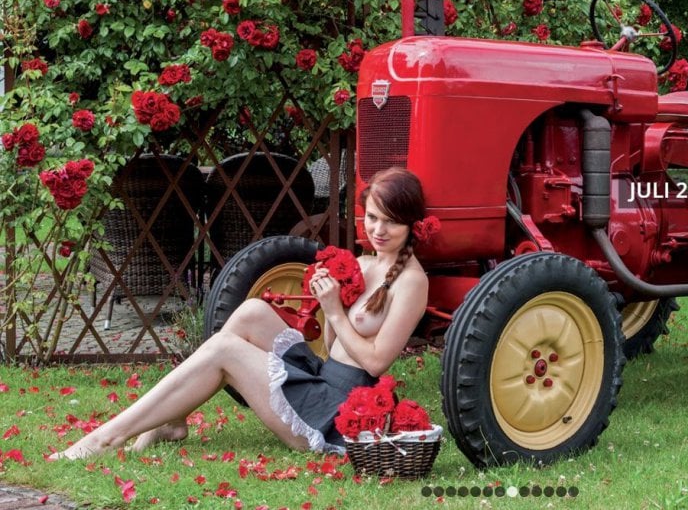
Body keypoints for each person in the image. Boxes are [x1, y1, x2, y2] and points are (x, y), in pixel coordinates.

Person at [50, 167, 432, 460]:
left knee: (224, 350)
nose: (378, 229)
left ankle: (106, 438)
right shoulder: (365, 262)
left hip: (333, 416)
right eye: (371, 217)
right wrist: (329, 298)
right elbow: (333, 347)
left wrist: (335, 311)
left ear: (411, 223)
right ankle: (172, 418)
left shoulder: (412, 281)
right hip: (323, 376)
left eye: (390, 221)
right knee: (250, 311)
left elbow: (377, 362)